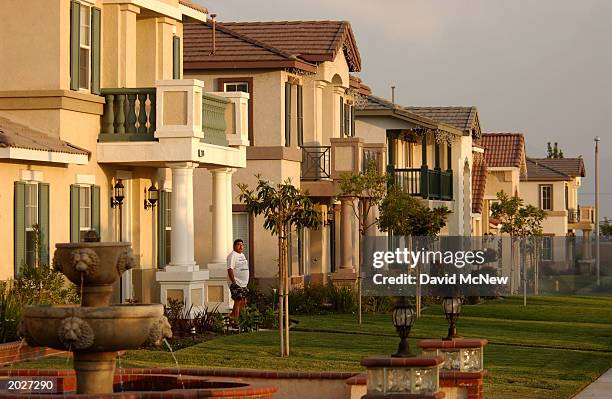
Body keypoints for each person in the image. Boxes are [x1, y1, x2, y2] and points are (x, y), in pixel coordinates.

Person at [227, 239, 249, 320]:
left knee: (243, 301)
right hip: (236, 283)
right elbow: (230, 269)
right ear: (234, 246)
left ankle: (233, 317)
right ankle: (236, 320)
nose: (241, 246)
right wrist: (233, 282)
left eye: (242, 245)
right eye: (238, 245)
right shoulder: (232, 255)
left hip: (243, 283)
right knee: (238, 300)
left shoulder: (242, 255)